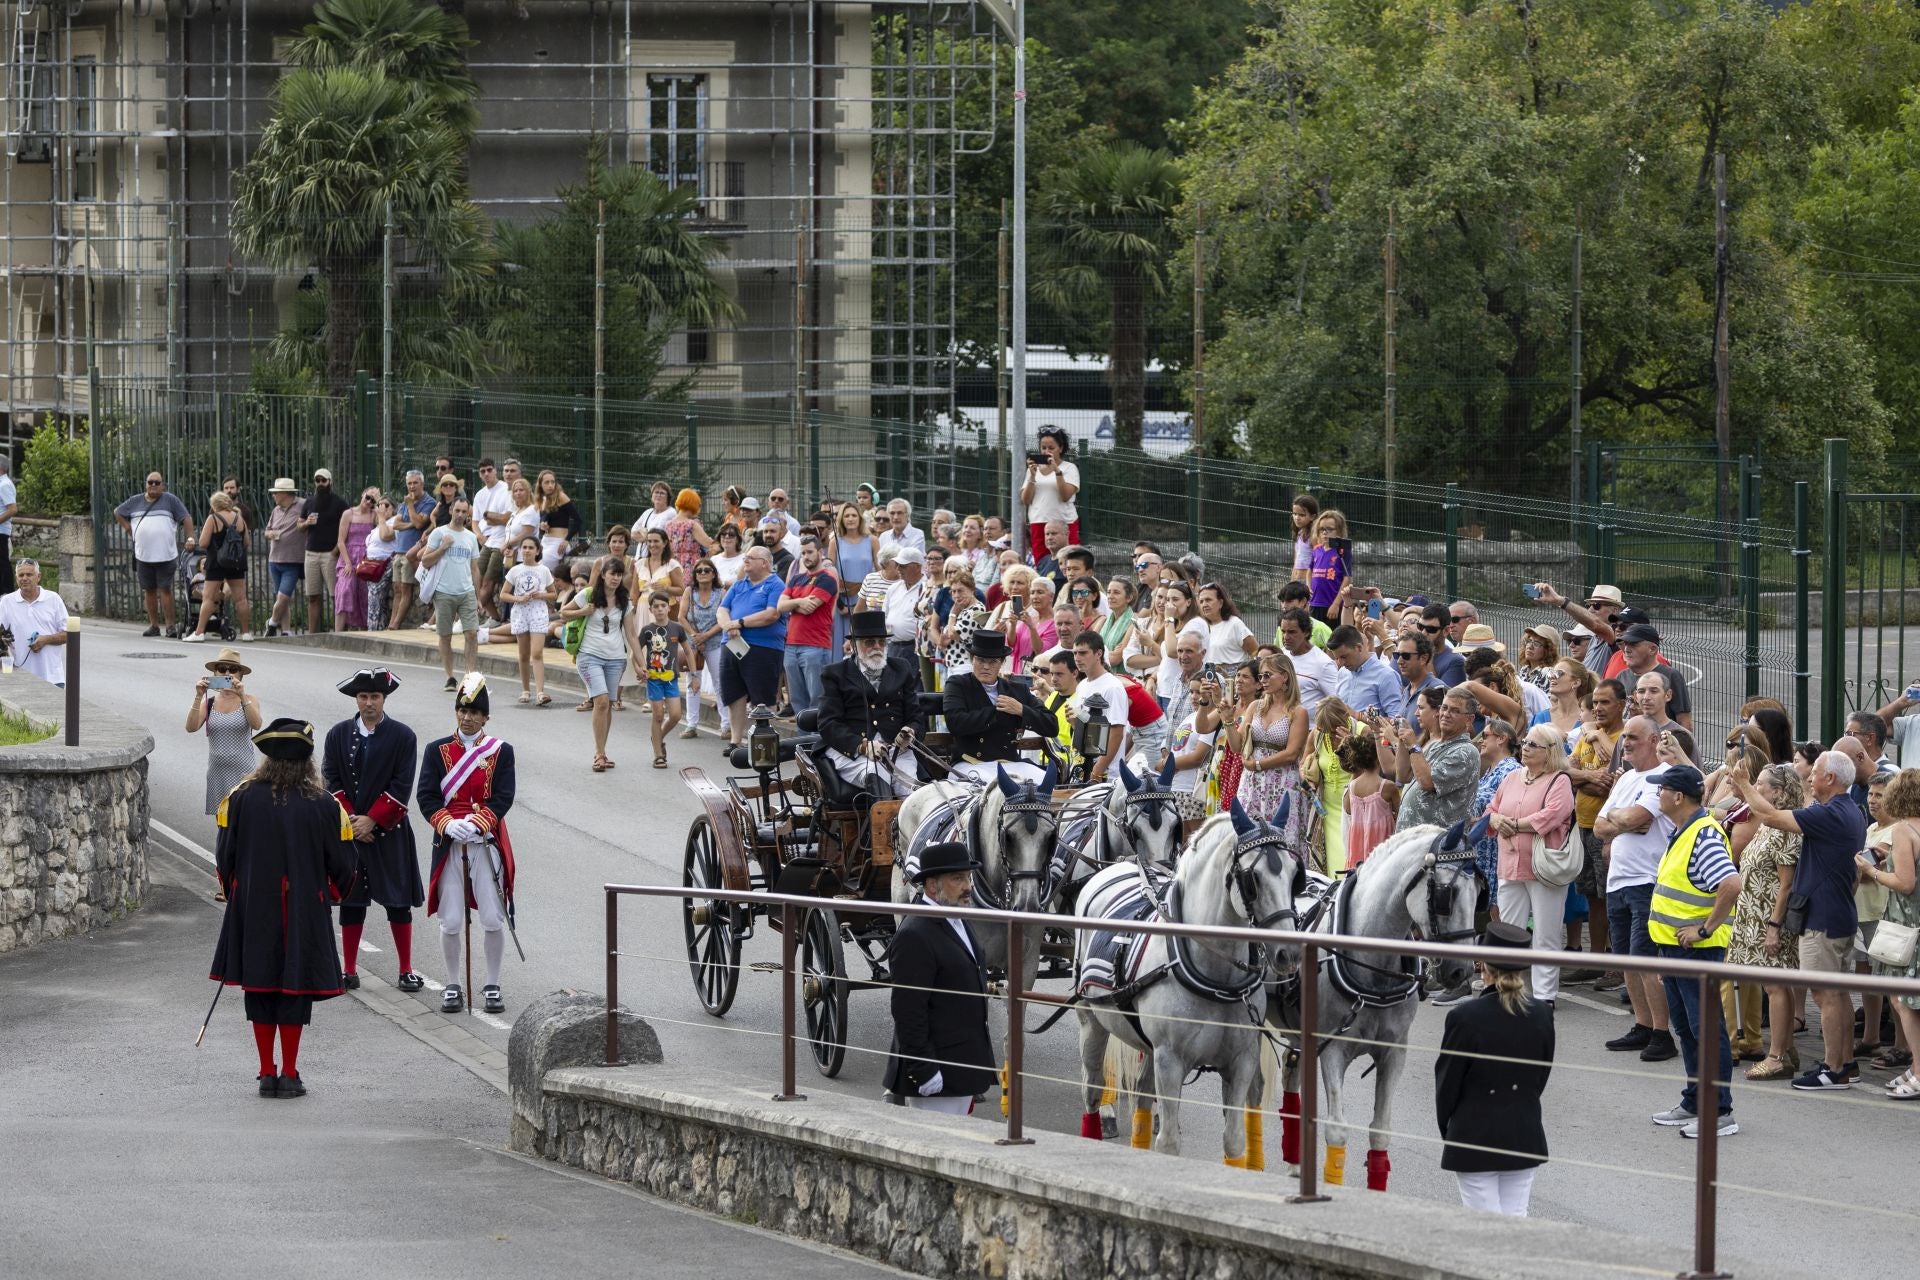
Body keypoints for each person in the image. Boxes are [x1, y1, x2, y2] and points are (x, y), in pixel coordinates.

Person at [209, 717, 357, 1099]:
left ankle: (265, 1071)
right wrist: (331, 894)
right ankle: (289, 1074)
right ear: (308, 760)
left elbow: (224, 857)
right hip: (304, 910)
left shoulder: (240, 797)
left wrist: (232, 890)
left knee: (260, 986)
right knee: (293, 989)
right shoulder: (325, 805)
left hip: (253, 908)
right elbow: (344, 864)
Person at [1730, 749, 1866, 1091]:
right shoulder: (1844, 810)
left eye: (1815, 772)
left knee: (1825, 994)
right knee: (1836, 992)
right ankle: (1845, 1063)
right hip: (1834, 912)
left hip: (1823, 917)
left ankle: (1834, 1069)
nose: (1809, 777)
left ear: (1830, 778)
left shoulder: (1832, 813)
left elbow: (1772, 817)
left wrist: (1745, 784)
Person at [1643, 764, 1742, 1139]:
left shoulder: (1702, 834)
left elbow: (1730, 883)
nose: (1657, 794)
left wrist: (1705, 929)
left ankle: (1720, 1112)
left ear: (1678, 796)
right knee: (1686, 1028)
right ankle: (1694, 1100)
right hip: (1674, 949)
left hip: (1696, 952)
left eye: (1662, 789)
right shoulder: (1684, 830)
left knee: (1705, 1029)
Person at [1434, 921, 1554, 1216]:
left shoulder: (1465, 1016)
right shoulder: (1540, 1013)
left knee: (1483, 1225)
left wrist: (1449, 1129)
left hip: (1473, 1132)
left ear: (1482, 965)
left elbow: (1447, 1083)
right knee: (1516, 1219)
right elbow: (1540, 1075)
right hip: (1523, 1130)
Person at [418, 674, 518, 1015]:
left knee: (492, 917)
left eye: (475, 711)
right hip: (450, 844)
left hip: (485, 843)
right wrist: (448, 823)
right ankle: (452, 983)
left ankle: (492, 984)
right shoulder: (436, 751)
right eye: (463, 709)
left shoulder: (501, 752)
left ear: (486, 717)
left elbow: (503, 797)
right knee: (451, 920)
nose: (468, 717)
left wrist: (479, 822)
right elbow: (427, 797)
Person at [321, 668, 425, 993]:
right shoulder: (337, 735)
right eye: (363, 696)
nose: (369, 702)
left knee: (398, 903)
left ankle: (406, 969)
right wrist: (353, 821)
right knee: (351, 902)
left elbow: (401, 784)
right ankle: (349, 970)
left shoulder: (403, 736)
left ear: (384, 698)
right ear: (356, 698)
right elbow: (331, 780)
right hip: (350, 833)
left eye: (375, 697)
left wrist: (373, 820)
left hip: (389, 832)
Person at [884, 841, 997, 1114]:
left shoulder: (956, 918)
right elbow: (908, 1011)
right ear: (932, 886)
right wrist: (923, 1070)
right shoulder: (915, 934)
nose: (967, 886)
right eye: (957, 879)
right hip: (937, 1074)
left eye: (968, 877)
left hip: (960, 1066)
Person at [1488, 725, 1578, 1002]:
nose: (1525, 747)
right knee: (1509, 932)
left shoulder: (1559, 780)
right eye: (1525, 742)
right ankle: (1506, 990)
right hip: (1510, 864)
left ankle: (1544, 996)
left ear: (1549, 752)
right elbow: (1491, 809)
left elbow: (1551, 816)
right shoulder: (1513, 777)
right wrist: (1494, 819)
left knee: (1546, 935)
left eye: (1532, 744)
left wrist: (1512, 824)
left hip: (1543, 869)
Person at [1730, 763, 1806, 1081]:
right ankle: (1785, 1049)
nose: (1756, 788)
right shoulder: (1767, 822)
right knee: (1775, 985)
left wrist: (1774, 927)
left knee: (1775, 985)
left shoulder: (1786, 826)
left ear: (1778, 791)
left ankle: (1775, 1056)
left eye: (1761, 784)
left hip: (1768, 919)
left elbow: (1786, 884)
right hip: (1752, 915)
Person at [817, 611, 926, 798]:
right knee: (877, 774)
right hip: (851, 751)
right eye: (869, 642)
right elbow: (828, 724)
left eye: (881, 642)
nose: (877, 647)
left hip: (896, 750)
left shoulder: (901, 668)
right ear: (853, 646)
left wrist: (910, 732)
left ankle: (907, 827)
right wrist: (861, 745)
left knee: (911, 791)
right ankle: (880, 827)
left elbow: (916, 716)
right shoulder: (835, 674)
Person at [1862, 768, 1920, 1099]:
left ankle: (1919, 1070)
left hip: (1907, 926)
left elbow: (1905, 883)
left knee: (1903, 1000)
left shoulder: (1902, 830)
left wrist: (1872, 871)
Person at [943, 630, 1056, 785]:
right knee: (995, 789)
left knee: (1046, 785)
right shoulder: (958, 684)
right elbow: (955, 723)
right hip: (970, 763)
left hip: (1010, 763)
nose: (986, 667)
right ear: (971, 659)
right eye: (980, 660)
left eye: (993, 662)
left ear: (1002, 662)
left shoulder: (1017, 690)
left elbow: (1052, 725)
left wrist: (1022, 710)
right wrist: (998, 712)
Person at [562, 559, 643, 773]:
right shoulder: (588, 594)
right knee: (601, 700)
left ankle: (603, 751)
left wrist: (641, 664)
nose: (616, 578)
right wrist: (583, 612)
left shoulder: (624, 601)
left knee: (606, 704)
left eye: (619, 574)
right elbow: (564, 613)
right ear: (603, 575)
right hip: (589, 656)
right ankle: (598, 754)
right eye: (612, 574)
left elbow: (632, 635)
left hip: (616, 658)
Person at [716, 546, 793, 751]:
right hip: (732, 644)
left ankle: (764, 741)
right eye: (745, 557)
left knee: (763, 695)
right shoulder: (739, 585)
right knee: (734, 693)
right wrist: (728, 626)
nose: (745, 561)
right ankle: (735, 740)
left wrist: (739, 623)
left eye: (751, 558)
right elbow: (723, 609)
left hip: (763, 647)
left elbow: (771, 615)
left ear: (765, 563)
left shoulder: (775, 584)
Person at [188, 646, 264, 848]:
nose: (227, 673)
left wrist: (242, 696)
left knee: (246, 826)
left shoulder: (249, 700)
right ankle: (227, 870)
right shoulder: (210, 702)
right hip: (218, 773)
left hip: (243, 774)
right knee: (224, 828)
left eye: (233, 669)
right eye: (222, 669)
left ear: (240, 674)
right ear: (215, 674)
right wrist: (198, 695)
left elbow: (256, 724)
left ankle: (245, 870)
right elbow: (191, 727)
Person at [1233, 654, 1307, 844]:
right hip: (1253, 782)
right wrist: (1226, 720)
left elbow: (1291, 754)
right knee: (1247, 836)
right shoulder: (1255, 706)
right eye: (1260, 677)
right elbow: (1237, 746)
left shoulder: (1297, 711)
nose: (1263, 681)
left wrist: (1257, 764)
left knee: (1282, 838)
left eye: (1268, 675)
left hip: (1282, 780)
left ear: (1285, 677)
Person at [116, 470, 193, 637]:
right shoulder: (135, 501)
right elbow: (118, 512)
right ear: (146, 484)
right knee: (148, 590)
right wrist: (127, 527)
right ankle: (154, 625)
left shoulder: (171, 500)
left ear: (162, 485)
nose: (153, 485)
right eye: (150, 482)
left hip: (165, 554)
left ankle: (170, 626)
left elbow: (186, 518)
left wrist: (190, 538)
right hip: (143, 554)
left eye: (157, 482)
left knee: (165, 589)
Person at [1393, 687, 1480, 830]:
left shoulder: (1466, 751)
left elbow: (1428, 782)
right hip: (1414, 842)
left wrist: (1414, 745)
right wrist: (1403, 739)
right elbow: (1404, 776)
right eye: (1444, 708)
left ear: (1469, 719)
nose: (1446, 714)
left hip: (1436, 846)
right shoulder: (1436, 745)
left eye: (1455, 710)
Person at [420, 497, 482, 692]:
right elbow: (425, 561)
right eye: (457, 511)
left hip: (466, 591)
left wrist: (478, 596)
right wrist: (443, 547)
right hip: (444, 591)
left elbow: (474, 569)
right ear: (451, 510)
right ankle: (450, 676)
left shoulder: (471, 537)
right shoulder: (439, 533)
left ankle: (470, 676)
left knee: (471, 633)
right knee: (445, 635)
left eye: (464, 512)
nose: (461, 515)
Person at [781, 534, 838, 717]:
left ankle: (816, 740)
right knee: (797, 700)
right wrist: (800, 601)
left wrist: (793, 602)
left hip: (815, 645)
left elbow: (809, 608)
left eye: (810, 552)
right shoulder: (796, 579)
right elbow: (780, 606)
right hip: (791, 645)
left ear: (820, 552)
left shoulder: (827, 579)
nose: (806, 557)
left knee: (817, 700)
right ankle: (803, 741)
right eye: (803, 553)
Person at [186, 491, 253, 642]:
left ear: (215, 505)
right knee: (241, 599)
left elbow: (203, 542)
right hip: (236, 562)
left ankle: (199, 633)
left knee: (209, 598)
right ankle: (246, 633)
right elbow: (246, 542)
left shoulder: (213, 518)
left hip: (217, 562)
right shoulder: (239, 518)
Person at [638, 591, 693, 769]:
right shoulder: (647, 630)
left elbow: (689, 651)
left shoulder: (677, 628)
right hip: (653, 679)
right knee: (658, 715)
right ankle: (658, 754)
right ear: (651, 609)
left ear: (669, 607)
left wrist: (694, 675)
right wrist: (640, 669)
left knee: (676, 715)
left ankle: (658, 737)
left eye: (663, 606)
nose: (660, 609)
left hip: (671, 679)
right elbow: (635, 652)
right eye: (656, 606)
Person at [499, 535, 556, 706]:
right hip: (521, 613)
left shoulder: (544, 570)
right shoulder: (515, 571)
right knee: (523, 654)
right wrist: (518, 598)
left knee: (537, 652)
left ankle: (540, 692)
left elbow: (553, 594)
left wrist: (542, 595)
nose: (527, 550)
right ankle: (525, 690)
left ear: (537, 551)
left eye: (531, 547)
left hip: (538, 611)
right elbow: (503, 594)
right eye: (524, 547)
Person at [0, 558, 69, 686]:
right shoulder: (6, 602)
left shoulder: (53, 599)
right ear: (16, 578)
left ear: (38, 577)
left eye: (29, 574)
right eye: (21, 575)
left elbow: (69, 634)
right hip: (20, 678)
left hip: (52, 677)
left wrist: (45, 640)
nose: (24, 578)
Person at [681, 557, 727, 741]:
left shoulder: (721, 593)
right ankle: (691, 725)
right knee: (693, 683)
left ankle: (726, 725)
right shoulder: (689, 592)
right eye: (699, 571)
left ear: (713, 573)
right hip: (693, 644)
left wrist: (706, 636)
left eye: (707, 570)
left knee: (720, 683)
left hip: (715, 641)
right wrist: (694, 635)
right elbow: (681, 617)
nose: (702, 573)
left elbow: (724, 618)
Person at [298, 468, 348, 634]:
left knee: (335, 595)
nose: (320, 483)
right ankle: (312, 634)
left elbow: (348, 527)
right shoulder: (309, 502)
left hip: (330, 554)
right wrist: (306, 524)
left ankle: (338, 631)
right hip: (311, 553)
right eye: (317, 480)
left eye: (323, 480)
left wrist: (336, 550)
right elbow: (299, 525)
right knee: (313, 596)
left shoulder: (339, 503)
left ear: (330, 481)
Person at [1020, 425, 1081, 561]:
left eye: (1051, 448)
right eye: (1043, 448)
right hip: (1039, 522)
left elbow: (1065, 496)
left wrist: (1057, 471)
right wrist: (1032, 476)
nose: (1046, 451)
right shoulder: (1032, 470)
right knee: (1042, 563)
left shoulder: (1069, 468)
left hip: (1064, 522)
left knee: (1069, 560)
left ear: (1060, 447)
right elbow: (1025, 500)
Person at [828, 499, 876, 656]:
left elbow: (879, 571)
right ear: (841, 519)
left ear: (860, 518)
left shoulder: (872, 541)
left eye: (854, 515)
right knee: (839, 650)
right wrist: (841, 605)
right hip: (842, 604)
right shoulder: (835, 541)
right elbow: (830, 576)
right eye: (846, 515)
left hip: (865, 603)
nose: (850, 519)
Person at [469, 459, 513, 625]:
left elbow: (505, 519)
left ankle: (469, 617)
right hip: (486, 542)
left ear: (496, 470)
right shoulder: (480, 494)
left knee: (488, 582)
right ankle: (494, 617)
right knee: (474, 581)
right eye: (483, 471)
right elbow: (475, 522)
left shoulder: (505, 489)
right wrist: (480, 536)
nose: (486, 474)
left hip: (501, 542)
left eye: (489, 470)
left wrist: (491, 517)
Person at [261, 478, 306, 637]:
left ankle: (272, 622)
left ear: (285, 493)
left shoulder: (302, 505)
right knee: (282, 598)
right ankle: (286, 630)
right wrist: (270, 534)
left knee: (283, 595)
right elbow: (266, 531)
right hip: (275, 558)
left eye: (275, 493)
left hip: (292, 559)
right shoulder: (276, 510)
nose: (273, 496)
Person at [1307, 509, 1351, 624]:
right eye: (1322, 529)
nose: (1325, 532)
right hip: (1315, 603)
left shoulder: (1342, 550)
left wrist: (1336, 604)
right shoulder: (1316, 549)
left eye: (1329, 529)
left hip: (1332, 605)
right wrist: (1308, 587)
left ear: (1339, 531)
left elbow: (1347, 578)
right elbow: (1310, 570)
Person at [0, 455, 15, 597]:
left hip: (1, 531)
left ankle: (8, 592)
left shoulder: (4, 484)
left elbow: (12, 509)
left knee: (3, 561)